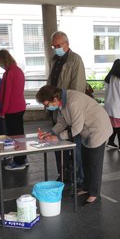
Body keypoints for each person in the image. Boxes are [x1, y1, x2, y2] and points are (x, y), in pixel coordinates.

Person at [36, 85, 112, 205]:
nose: (47, 107)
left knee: (94, 163)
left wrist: (58, 137)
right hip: (86, 130)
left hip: (98, 129)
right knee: (85, 160)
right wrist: (49, 133)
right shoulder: (62, 102)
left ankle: (94, 193)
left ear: (55, 99)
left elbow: (77, 127)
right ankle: (86, 188)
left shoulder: (73, 102)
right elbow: (62, 122)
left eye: (47, 104)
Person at [48, 31, 87, 185]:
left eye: (58, 45)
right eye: (53, 46)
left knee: (74, 144)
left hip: (70, 108)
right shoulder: (54, 59)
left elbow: (77, 88)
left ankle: (77, 176)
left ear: (67, 44)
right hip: (57, 106)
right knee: (58, 141)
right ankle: (63, 174)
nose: (56, 48)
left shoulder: (75, 60)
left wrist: (67, 107)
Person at [0, 50, 27, 171]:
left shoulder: (10, 73)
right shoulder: (18, 70)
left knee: (14, 136)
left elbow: (7, 94)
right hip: (19, 106)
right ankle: (22, 158)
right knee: (19, 134)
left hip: (12, 109)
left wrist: (3, 111)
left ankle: (19, 161)